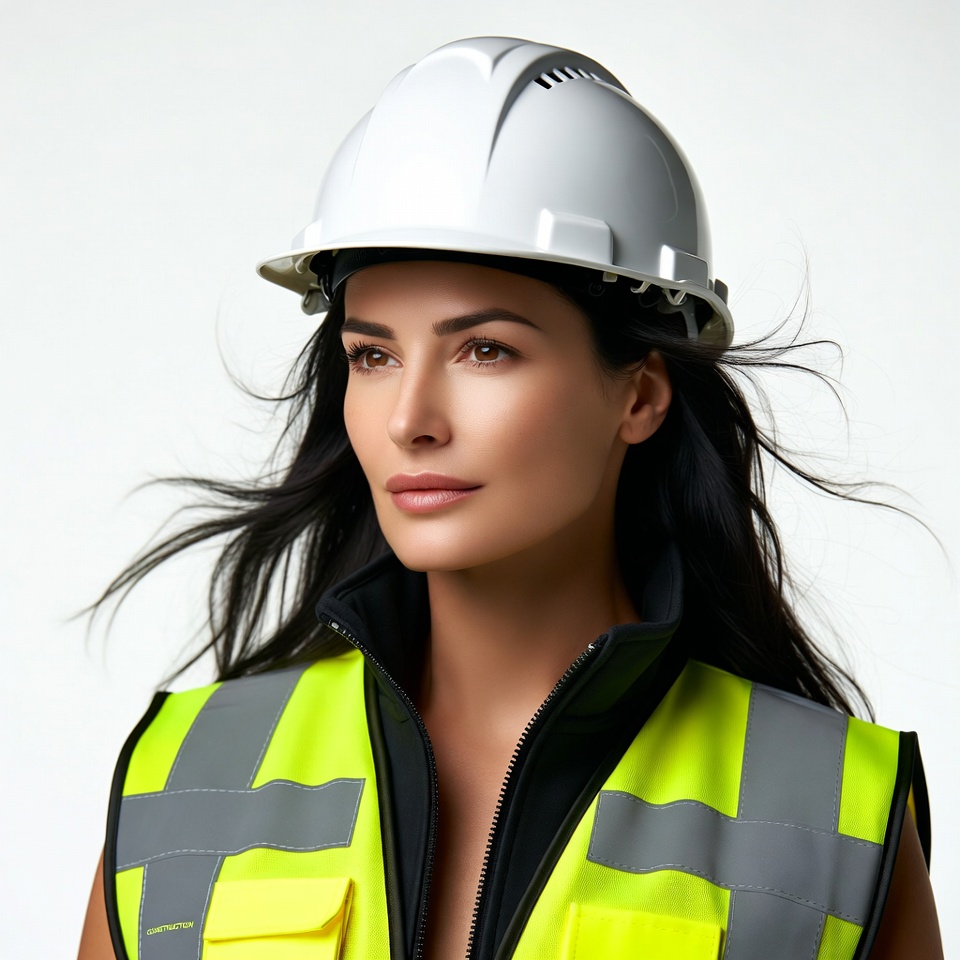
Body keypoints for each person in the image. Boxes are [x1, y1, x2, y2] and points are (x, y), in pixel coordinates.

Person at [78, 36, 942, 960]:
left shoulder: (832, 812)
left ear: (640, 395)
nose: (411, 419)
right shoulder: (184, 781)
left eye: (485, 350)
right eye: (373, 355)